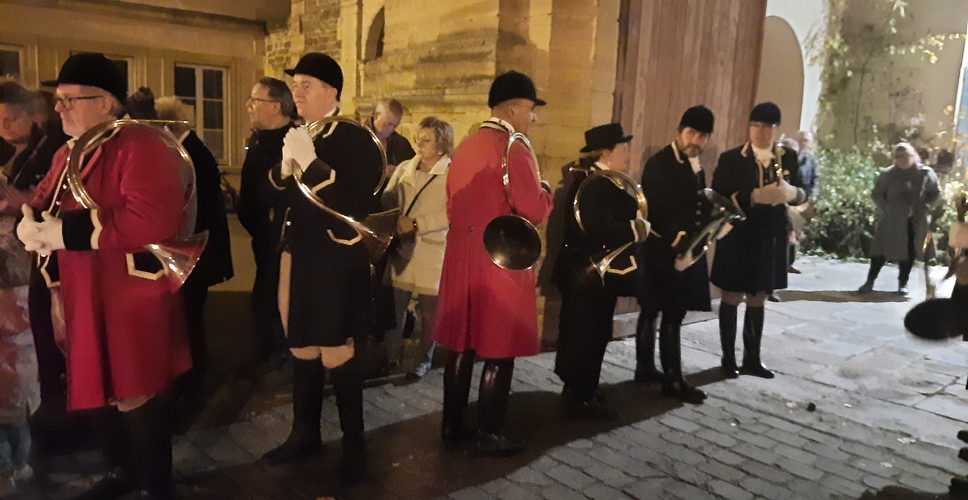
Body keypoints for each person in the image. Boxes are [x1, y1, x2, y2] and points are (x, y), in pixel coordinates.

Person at [18, 52, 193, 499]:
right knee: (97, 383)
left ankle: (157, 486)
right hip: (83, 284)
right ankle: (121, 471)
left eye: (71, 99)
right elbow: (45, 198)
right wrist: (28, 219)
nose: (59, 109)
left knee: (134, 391)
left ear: (108, 102)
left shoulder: (141, 144)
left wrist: (66, 231)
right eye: (58, 99)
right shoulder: (68, 150)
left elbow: (152, 219)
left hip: (127, 290)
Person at [261, 53, 382, 484]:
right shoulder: (300, 133)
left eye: (307, 83)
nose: (297, 90)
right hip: (298, 255)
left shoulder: (355, 138)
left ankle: (354, 444)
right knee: (302, 348)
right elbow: (275, 196)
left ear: (332, 92)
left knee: (338, 351)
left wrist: (310, 164)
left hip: (334, 259)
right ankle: (304, 434)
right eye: (296, 83)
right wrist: (285, 167)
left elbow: (354, 203)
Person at [434, 70, 553, 455]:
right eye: (530, 110)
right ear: (514, 107)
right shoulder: (513, 146)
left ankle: (452, 426)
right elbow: (532, 208)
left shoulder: (467, 144)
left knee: (461, 343)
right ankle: (490, 432)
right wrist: (547, 193)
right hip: (500, 255)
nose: (531, 118)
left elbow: (452, 202)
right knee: (500, 346)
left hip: (461, 253)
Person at [553, 123, 648, 420]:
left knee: (592, 330)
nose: (628, 153)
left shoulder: (601, 180)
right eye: (623, 148)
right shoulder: (596, 184)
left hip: (593, 275)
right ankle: (580, 395)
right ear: (606, 153)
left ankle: (583, 388)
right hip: (589, 274)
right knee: (587, 332)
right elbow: (594, 229)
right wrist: (635, 228)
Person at [710, 102, 806, 380]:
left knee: (759, 295)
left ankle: (752, 358)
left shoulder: (787, 156)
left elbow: (803, 191)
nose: (759, 131)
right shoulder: (732, 158)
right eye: (755, 125)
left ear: (775, 129)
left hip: (770, 235)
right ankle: (728, 359)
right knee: (731, 295)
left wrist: (792, 193)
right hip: (739, 234)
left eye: (765, 126)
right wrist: (752, 196)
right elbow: (719, 195)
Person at [153, 95, 234, 422]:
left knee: (191, 318)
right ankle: (192, 377)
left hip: (196, 251)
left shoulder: (190, 153)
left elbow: (194, 207)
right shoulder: (190, 149)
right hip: (197, 249)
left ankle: (194, 382)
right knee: (190, 316)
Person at [636, 106, 716, 404]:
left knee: (663, 310)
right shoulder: (660, 163)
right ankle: (671, 379)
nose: (695, 140)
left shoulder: (695, 164)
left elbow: (696, 205)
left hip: (685, 250)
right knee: (664, 311)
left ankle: (645, 367)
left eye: (702, 136)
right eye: (691, 133)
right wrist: (678, 243)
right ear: (678, 133)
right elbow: (658, 208)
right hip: (664, 250)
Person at [382, 117, 453, 379]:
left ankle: (423, 360)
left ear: (441, 144)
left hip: (433, 251)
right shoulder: (404, 169)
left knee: (430, 314)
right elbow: (388, 200)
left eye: (426, 140)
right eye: (418, 139)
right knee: (395, 309)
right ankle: (391, 358)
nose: (419, 145)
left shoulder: (451, 173)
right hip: (404, 250)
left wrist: (417, 223)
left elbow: (452, 213)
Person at [238, 77, 296, 367]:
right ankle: (268, 348)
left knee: (278, 293)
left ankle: (280, 348)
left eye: (255, 100)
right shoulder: (259, 138)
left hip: (282, 238)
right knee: (264, 291)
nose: (249, 105)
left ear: (275, 106)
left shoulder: (295, 141)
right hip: (262, 236)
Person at [858, 143, 940, 296]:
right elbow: (877, 194)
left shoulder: (924, 173)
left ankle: (903, 283)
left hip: (914, 219)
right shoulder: (888, 174)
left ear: (912, 155)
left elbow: (934, 193)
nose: (900, 159)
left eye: (904, 156)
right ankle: (870, 281)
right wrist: (887, 207)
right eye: (897, 156)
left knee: (908, 252)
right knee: (880, 251)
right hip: (892, 218)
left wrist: (925, 207)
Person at [367, 98, 415, 176]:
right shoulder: (358, 138)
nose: (391, 129)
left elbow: (413, 166)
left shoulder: (401, 143)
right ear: (376, 116)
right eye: (388, 124)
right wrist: (381, 172)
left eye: (395, 126)